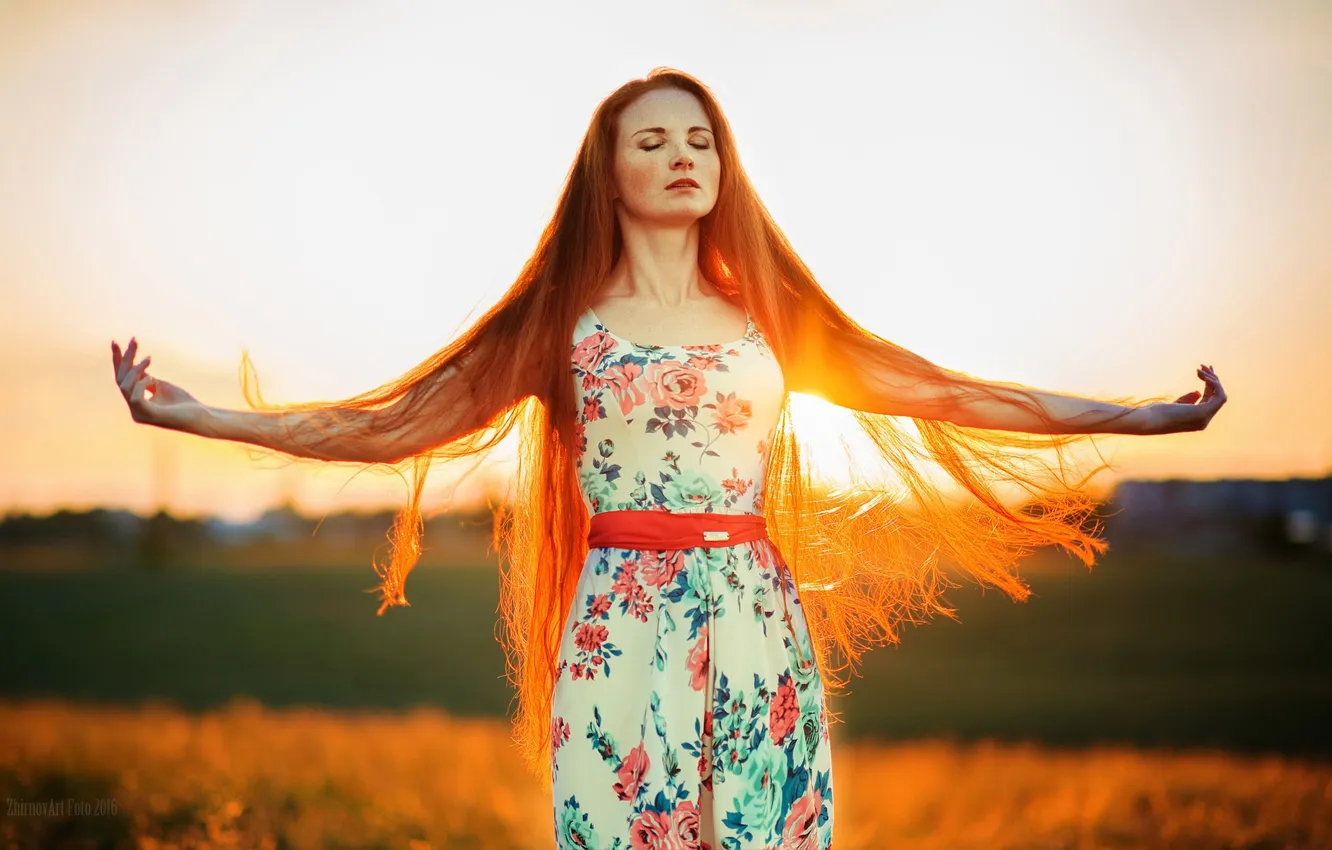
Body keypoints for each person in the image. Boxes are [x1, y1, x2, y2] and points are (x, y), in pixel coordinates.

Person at [109, 68, 1226, 848]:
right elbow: (387, 426)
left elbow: (947, 391)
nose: (682, 156)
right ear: (609, 176)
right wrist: (199, 419)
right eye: (651, 141)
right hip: (621, 624)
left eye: (700, 140)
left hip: (754, 617)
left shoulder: (773, 319)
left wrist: (1140, 419)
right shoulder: (560, 327)